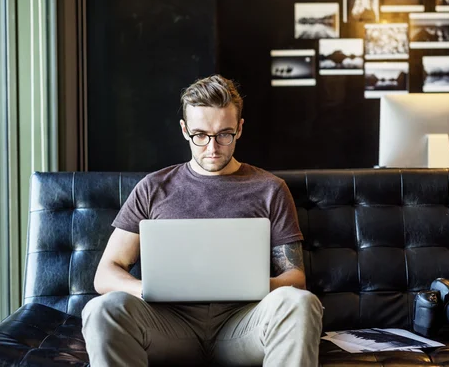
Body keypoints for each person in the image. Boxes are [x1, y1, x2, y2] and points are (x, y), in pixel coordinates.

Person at [81, 74, 324, 367]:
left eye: (224, 134)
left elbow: (295, 279)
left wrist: (246, 285)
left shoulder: (270, 189)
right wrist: (147, 289)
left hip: (243, 325)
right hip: (168, 325)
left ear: (240, 129)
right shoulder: (153, 187)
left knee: (301, 303)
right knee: (103, 309)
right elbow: (105, 274)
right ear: (185, 130)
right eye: (200, 135)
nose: (212, 148)